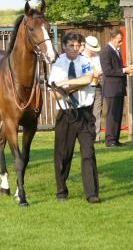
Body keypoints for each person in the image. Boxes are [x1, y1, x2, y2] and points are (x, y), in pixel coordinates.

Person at [49, 32, 100, 203]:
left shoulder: (85, 61)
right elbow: (55, 95)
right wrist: (69, 87)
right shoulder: (58, 65)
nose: (75, 49)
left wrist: (64, 85)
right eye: (71, 45)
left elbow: (87, 79)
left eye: (78, 45)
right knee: (63, 154)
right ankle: (61, 191)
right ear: (64, 46)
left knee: (88, 153)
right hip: (66, 114)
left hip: (84, 112)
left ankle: (92, 193)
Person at [99, 29, 133, 147]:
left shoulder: (116, 51)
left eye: (121, 41)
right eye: (119, 41)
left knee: (118, 114)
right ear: (112, 38)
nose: (121, 43)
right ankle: (110, 140)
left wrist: (128, 70)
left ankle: (115, 139)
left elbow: (119, 68)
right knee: (112, 115)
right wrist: (124, 70)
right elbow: (107, 71)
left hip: (119, 88)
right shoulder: (106, 51)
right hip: (111, 89)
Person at [81, 36, 103, 142]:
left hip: (97, 86)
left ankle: (96, 137)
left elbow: (100, 70)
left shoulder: (96, 56)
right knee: (86, 113)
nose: (92, 51)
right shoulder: (80, 57)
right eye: (91, 49)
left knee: (97, 112)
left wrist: (97, 73)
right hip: (85, 88)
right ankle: (86, 136)